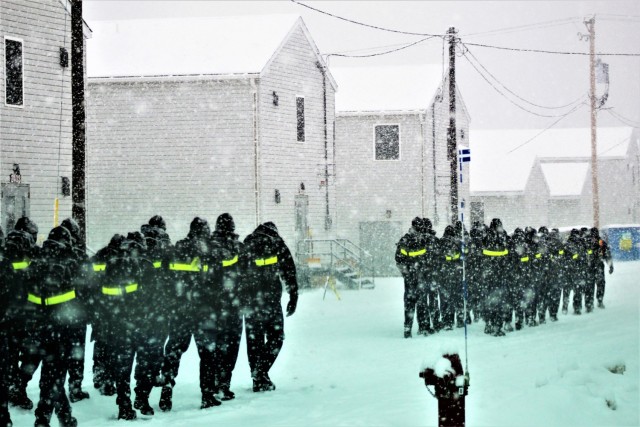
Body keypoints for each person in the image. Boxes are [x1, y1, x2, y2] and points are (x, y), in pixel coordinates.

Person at [159, 217, 221, 410]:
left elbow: (165, 277)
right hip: (203, 311)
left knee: (174, 351)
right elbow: (218, 283)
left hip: (181, 310)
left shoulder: (177, 250)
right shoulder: (210, 252)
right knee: (208, 354)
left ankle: (166, 389)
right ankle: (207, 395)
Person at [23, 226, 81, 427]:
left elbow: (25, 292)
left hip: (37, 326)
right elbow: (81, 295)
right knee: (53, 375)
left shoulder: (36, 259)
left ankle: (64, 416)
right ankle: (44, 418)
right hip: (61, 328)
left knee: (50, 376)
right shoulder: (70, 261)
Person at [240, 222, 298, 392]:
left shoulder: (247, 244)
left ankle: (257, 377)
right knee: (276, 337)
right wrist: (293, 296)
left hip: (250, 302)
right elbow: (289, 271)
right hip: (270, 300)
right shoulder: (277, 243)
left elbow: (237, 272)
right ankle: (261, 371)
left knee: (254, 341)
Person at [96, 232, 147, 420]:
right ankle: (127, 404)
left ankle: (123, 401)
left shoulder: (111, 263)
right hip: (131, 320)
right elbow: (141, 294)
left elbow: (102, 293)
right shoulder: (136, 266)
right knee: (130, 362)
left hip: (114, 320)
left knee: (120, 363)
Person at [133, 216, 172, 416]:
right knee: (154, 353)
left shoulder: (137, 247)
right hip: (158, 310)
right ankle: (149, 391)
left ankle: (141, 393)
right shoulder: (164, 248)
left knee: (145, 354)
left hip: (140, 311)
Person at [5, 217, 41, 410]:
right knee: (31, 354)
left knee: (9, 355)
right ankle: (17, 386)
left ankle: (12, 386)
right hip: (27, 314)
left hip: (7, 315)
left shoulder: (4, 251)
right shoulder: (32, 252)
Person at [210, 213, 243, 401]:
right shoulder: (236, 247)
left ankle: (214, 383)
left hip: (214, 306)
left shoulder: (209, 247)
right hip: (232, 305)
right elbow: (245, 274)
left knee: (216, 346)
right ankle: (223, 384)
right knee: (231, 347)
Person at [88, 233, 124, 397]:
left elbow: (89, 281)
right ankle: (109, 380)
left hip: (99, 308)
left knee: (101, 343)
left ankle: (99, 375)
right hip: (115, 309)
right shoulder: (121, 259)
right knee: (114, 345)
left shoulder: (99, 256)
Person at [60, 218, 90, 403]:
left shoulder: (47, 255)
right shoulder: (78, 256)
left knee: (55, 353)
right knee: (76, 352)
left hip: (53, 315)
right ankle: (75, 387)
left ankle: (54, 386)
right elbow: (88, 285)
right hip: (76, 312)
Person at [395, 218, 429, 338]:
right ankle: (407, 330)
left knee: (421, 304)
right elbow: (398, 259)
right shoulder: (406, 240)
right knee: (410, 304)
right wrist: (407, 273)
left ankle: (423, 328)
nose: (420, 231)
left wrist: (424, 270)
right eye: (418, 228)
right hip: (411, 279)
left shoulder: (422, 240)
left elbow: (427, 258)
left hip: (420, 278)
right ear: (414, 227)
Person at [481, 218, 510, 336]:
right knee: (498, 301)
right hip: (498, 274)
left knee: (490, 301)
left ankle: (489, 324)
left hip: (489, 274)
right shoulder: (500, 237)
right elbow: (507, 253)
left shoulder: (487, 237)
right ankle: (496, 326)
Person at [438, 225, 463, 330]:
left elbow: (437, 258)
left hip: (443, 276)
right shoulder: (456, 244)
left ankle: (446, 321)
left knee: (444, 299)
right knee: (454, 298)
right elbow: (461, 258)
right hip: (454, 275)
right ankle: (456, 320)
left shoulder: (440, 243)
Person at [586, 227, 613, 310]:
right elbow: (607, 255)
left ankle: (590, 304)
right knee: (600, 284)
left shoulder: (587, 242)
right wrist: (610, 266)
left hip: (590, 267)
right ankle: (599, 301)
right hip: (598, 267)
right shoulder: (601, 242)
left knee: (590, 285)